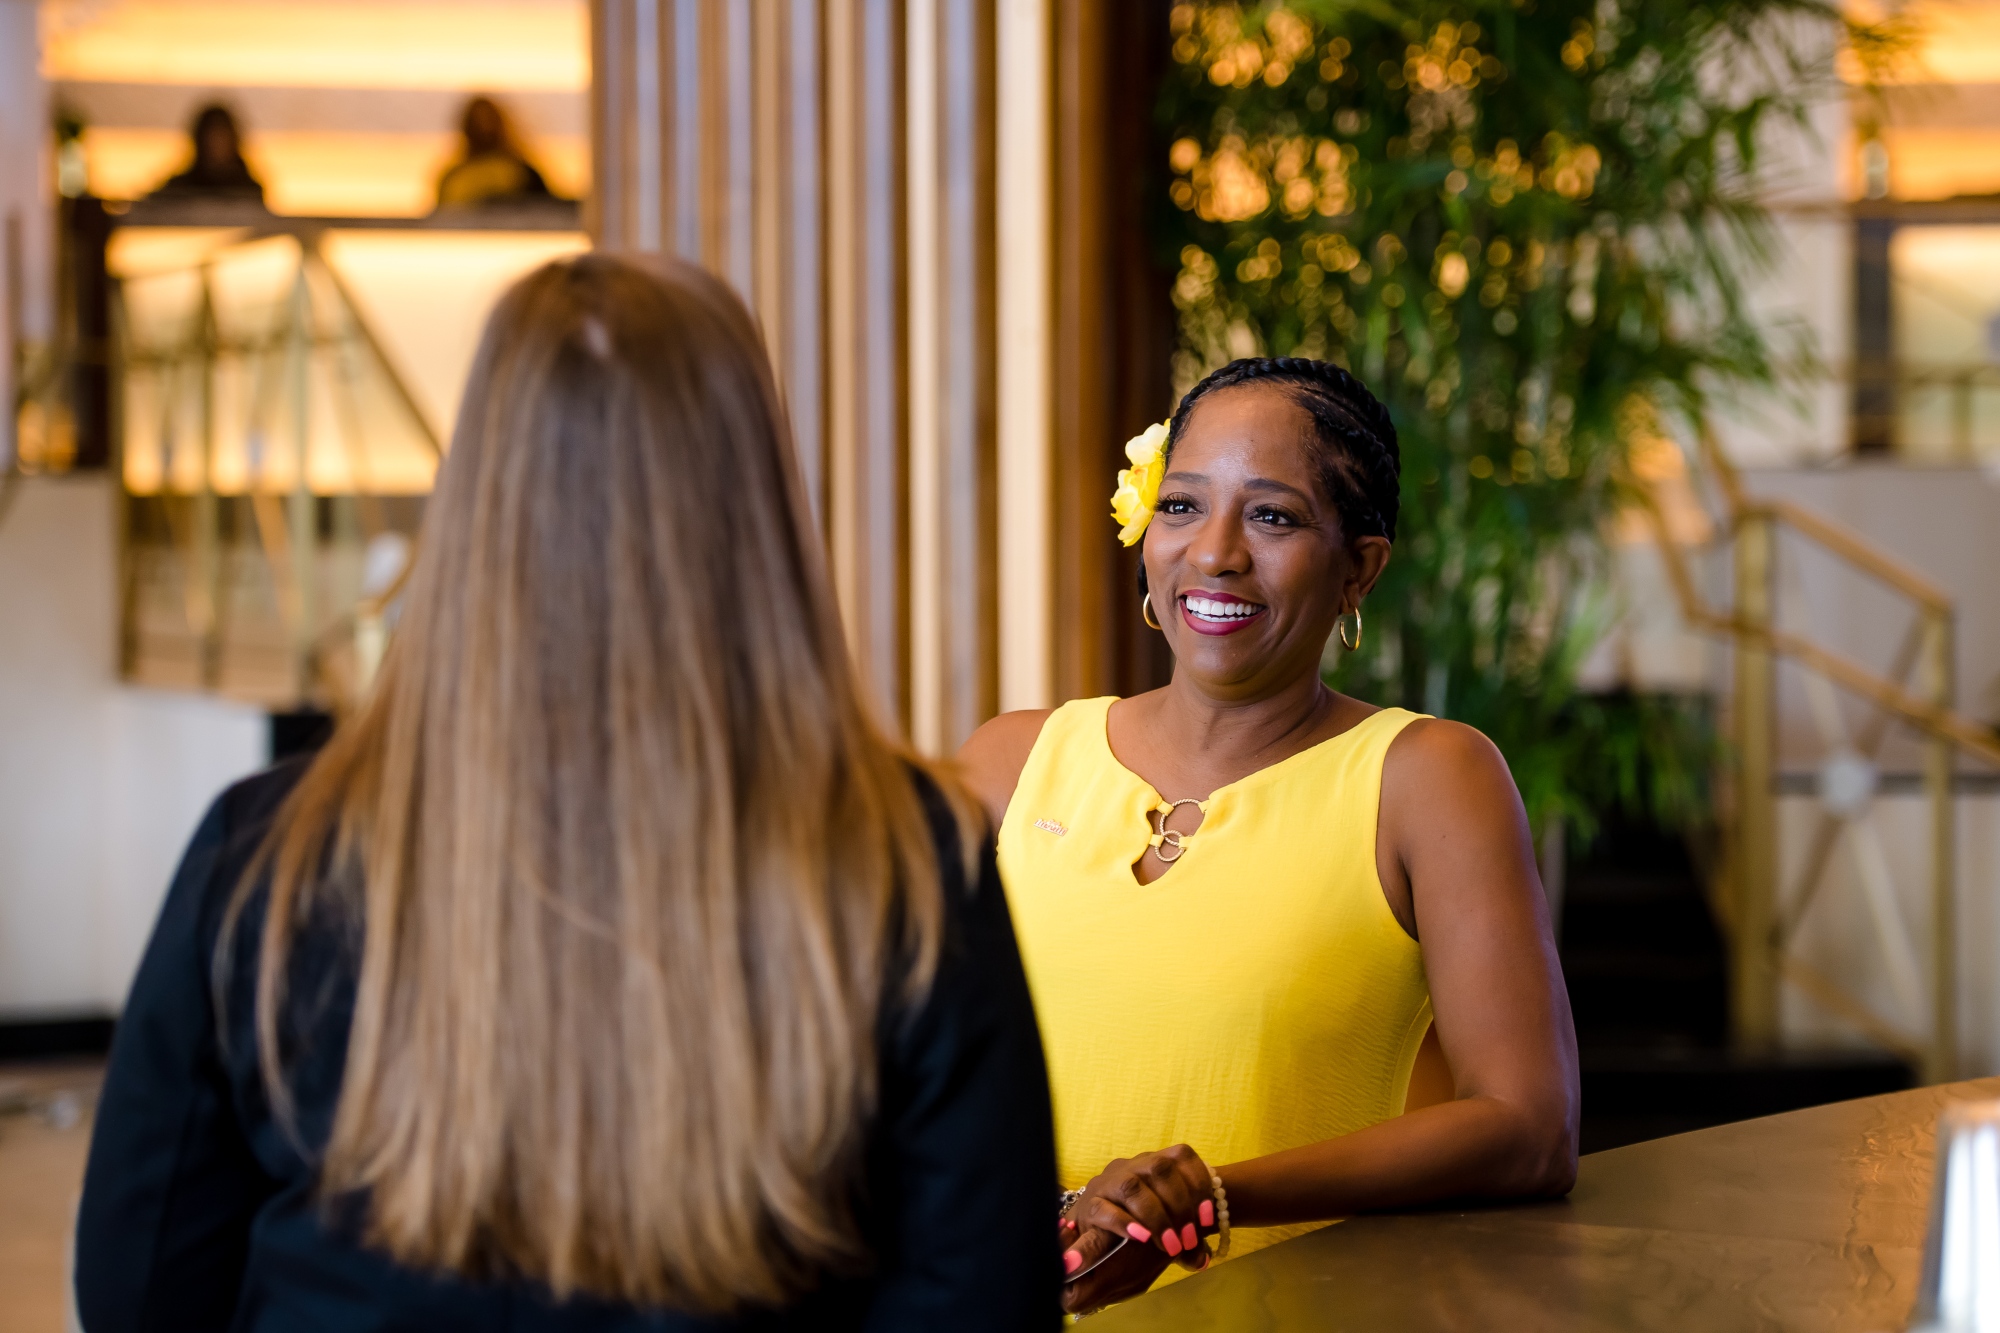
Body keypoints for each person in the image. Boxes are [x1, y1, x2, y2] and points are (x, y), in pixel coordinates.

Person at [75, 254, 1060, 1331]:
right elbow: (982, 1303)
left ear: (476, 495)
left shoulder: (266, 854)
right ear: (754, 502)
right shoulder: (912, 861)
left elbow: (142, 1291)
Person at [958, 357, 1581, 1315]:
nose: (1214, 553)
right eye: (1182, 507)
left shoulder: (1428, 780)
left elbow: (1528, 1126)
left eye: (1273, 516)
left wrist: (1209, 1198)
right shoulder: (1011, 763)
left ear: (1358, 568)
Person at [435, 95, 556, 210]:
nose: (483, 128)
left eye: (488, 121)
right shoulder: (453, 180)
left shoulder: (524, 174)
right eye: (477, 123)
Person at [150, 103, 265, 202]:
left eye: (222, 136)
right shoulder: (178, 189)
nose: (217, 143)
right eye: (212, 136)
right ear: (200, 140)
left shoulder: (251, 191)